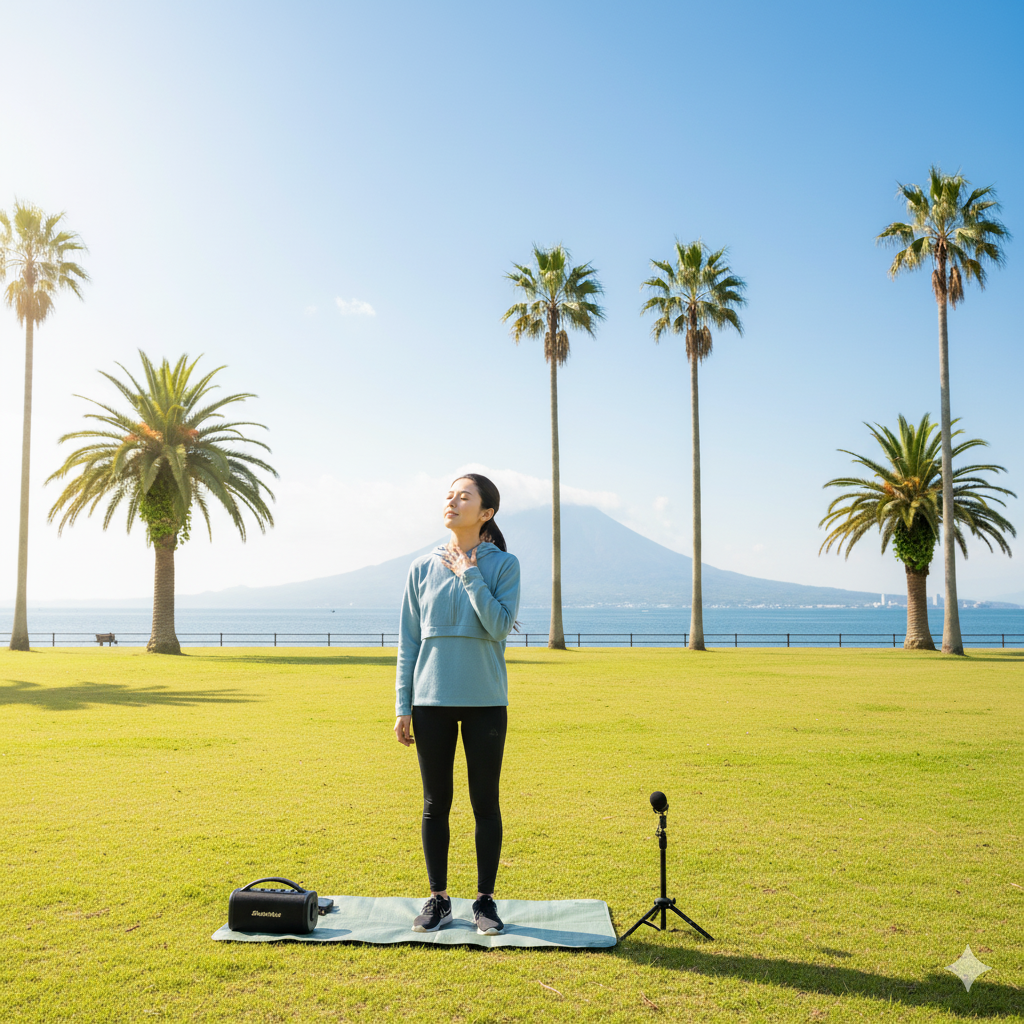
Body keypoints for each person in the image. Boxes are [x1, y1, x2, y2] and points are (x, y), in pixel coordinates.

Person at [394, 473, 521, 935]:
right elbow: (409, 642)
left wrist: (468, 573)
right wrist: (402, 705)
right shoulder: (419, 568)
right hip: (430, 703)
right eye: (449, 495)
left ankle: (485, 902)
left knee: (485, 803)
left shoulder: (504, 566)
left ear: (486, 512)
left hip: (487, 701)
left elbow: (498, 627)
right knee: (435, 804)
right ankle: (439, 899)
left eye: (463, 495)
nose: (452, 501)